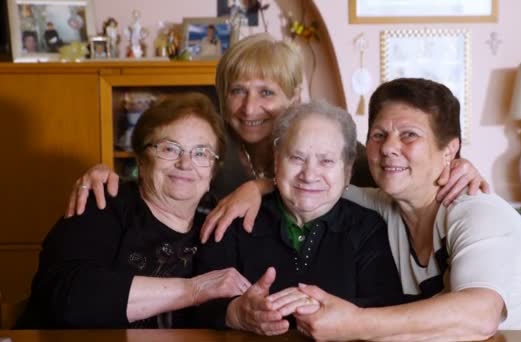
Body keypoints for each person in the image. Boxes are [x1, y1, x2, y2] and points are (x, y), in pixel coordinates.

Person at [64, 33, 487, 231]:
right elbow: (159, 179)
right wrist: (107, 174)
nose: (250, 108)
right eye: (237, 92)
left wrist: (456, 165)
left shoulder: (327, 143)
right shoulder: (211, 143)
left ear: (293, 97)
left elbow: (390, 167)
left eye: (267, 92)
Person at [288, 78, 521, 340]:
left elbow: (480, 315)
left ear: (449, 151)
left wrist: (355, 323)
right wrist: (256, 189)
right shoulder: (380, 207)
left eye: (409, 135)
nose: (389, 147)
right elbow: (313, 187)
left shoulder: (477, 211)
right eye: (378, 135)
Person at [15, 93, 251, 329]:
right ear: (141, 159)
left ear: (213, 171)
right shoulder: (103, 201)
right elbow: (67, 298)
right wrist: (192, 290)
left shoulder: (219, 223)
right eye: (169, 149)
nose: (185, 164)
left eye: (201, 153)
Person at [193, 100, 403, 336]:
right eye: (296, 158)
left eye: (326, 161)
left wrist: (325, 308)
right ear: (276, 160)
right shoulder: (235, 219)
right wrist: (236, 313)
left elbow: (386, 308)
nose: (309, 174)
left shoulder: (367, 228)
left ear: (347, 171)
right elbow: (198, 303)